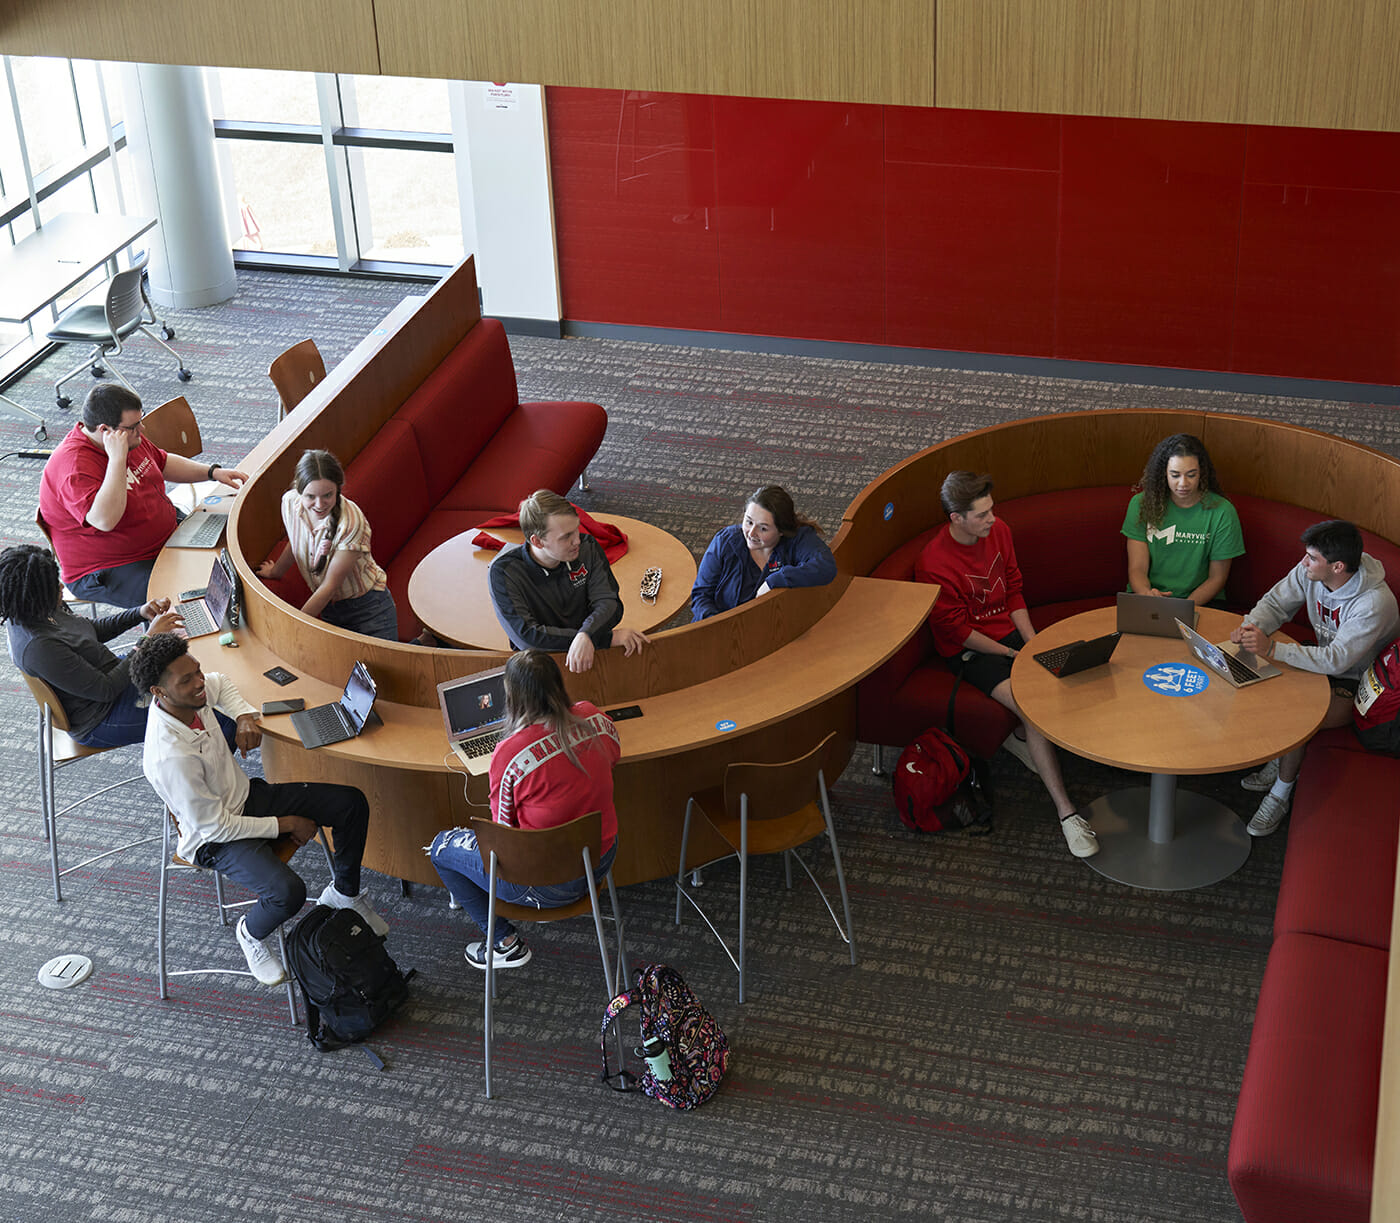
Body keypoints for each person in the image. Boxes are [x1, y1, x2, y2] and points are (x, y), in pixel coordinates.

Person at [133, 633, 388, 986]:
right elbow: (216, 828)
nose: (199, 683)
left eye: (197, 671)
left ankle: (344, 894)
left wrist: (243, 718)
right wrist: (286, 824)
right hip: (214, 839)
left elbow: (221, 683)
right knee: (288, 893)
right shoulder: (170, 756)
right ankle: (250, 933)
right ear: (159, 693)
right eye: (187, 680)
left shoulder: (193, 697)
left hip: (246, 799)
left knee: (350, 803)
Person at [914, 471, 1099, 859]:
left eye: (992, 510)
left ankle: (1017, 740)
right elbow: (960, 633)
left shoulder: (999, 532)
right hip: (972, 651)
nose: (992, 519)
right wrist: (1015, 657)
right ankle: (1067, 814)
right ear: (956, 519)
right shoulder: (932, 563)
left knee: (1077, 672)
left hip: (1012, 636)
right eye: (982, 515)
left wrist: (1032, 642)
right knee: (1033, 706)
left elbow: (1013, 587)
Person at [428, 649, 621, 970]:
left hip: (547, 884)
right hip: (599, 860)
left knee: (440, 847)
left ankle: (503, 943)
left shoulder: (509, 753)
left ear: (512, 697)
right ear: (558, 684)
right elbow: (613, 755)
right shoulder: (595, 718)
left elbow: (502, 836)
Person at [1230, 519, 1400, 837]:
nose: (1304, 562)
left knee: (1299, 715)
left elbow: (1337, 660)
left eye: (1312, 558)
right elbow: (1275, 602)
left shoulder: (1373, 604)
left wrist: (1273, 649)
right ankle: (1279, 760)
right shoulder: (1312, 570)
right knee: (1247, 674)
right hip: (1321, 661)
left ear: (1337, 566)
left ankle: (1280, 793)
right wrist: (1252, 627)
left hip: (1359, 682)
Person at [38, 384, 248, 609]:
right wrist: (117, 460)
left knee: (230, 550)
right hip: (110, 567)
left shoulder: (127, 436)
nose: (143, 429)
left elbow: (162, 461)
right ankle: (159, 641)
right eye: (134, 426)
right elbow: (105, 520)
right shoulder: (73, 467)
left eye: (141, 420)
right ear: (105, 430)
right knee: (179, 598)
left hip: (162, 536)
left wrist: (212, 472)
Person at [1, 543, 190, 748]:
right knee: (203, 706)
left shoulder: (37, 608)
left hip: (110, 674)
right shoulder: (38, 647)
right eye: (53, 585)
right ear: (34, 595)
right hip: (102, 715)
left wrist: (138, 613)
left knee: (189, 664)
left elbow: (88, 630)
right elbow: (106, 689)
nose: (61, 586)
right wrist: (147, 640)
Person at [488, 489, 648, 673]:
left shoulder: (588, 546)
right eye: (566, 537)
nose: (577, 541)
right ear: (538, 541)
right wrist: (603, 639)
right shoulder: (503, 571)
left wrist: (586, 634)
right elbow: (526, 636)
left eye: (576, 530)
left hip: (591, 653)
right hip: (541, 665)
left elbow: (609, 602)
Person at [254, 449, 399, 641]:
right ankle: (425, 641)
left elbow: (329, 586)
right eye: (310, 496)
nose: (319, 504)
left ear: (338, 489)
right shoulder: (289, 503)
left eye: (327, 495)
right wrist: (275, 572)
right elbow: (297, 541)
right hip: (329, 608)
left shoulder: (351, 523)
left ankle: (426, 642)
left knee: (389, 668)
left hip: (368, 607)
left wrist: (294, 626)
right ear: (299, 489)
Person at [1122, 434, 1244, 604]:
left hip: (1202, 602)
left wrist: (1183, 608)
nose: (1183, 484)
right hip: (1148, 597)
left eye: (1191, 475)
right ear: (1163, 473)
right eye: (1175, 475)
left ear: (1202, 472)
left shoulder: (1222, 511)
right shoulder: (1141, 504)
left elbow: (1217, 578)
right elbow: (1137, 568)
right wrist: (1146, 594)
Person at [690, 484, 837, 619]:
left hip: (773, 628)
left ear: (781, 531)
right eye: (749, 522)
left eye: (763, 528)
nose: (751, 533)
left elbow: (826, 566)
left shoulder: (797, 539)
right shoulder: (726, 541)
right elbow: (701, 595)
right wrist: (716, 624)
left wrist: (774, 581)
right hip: (723, 629)